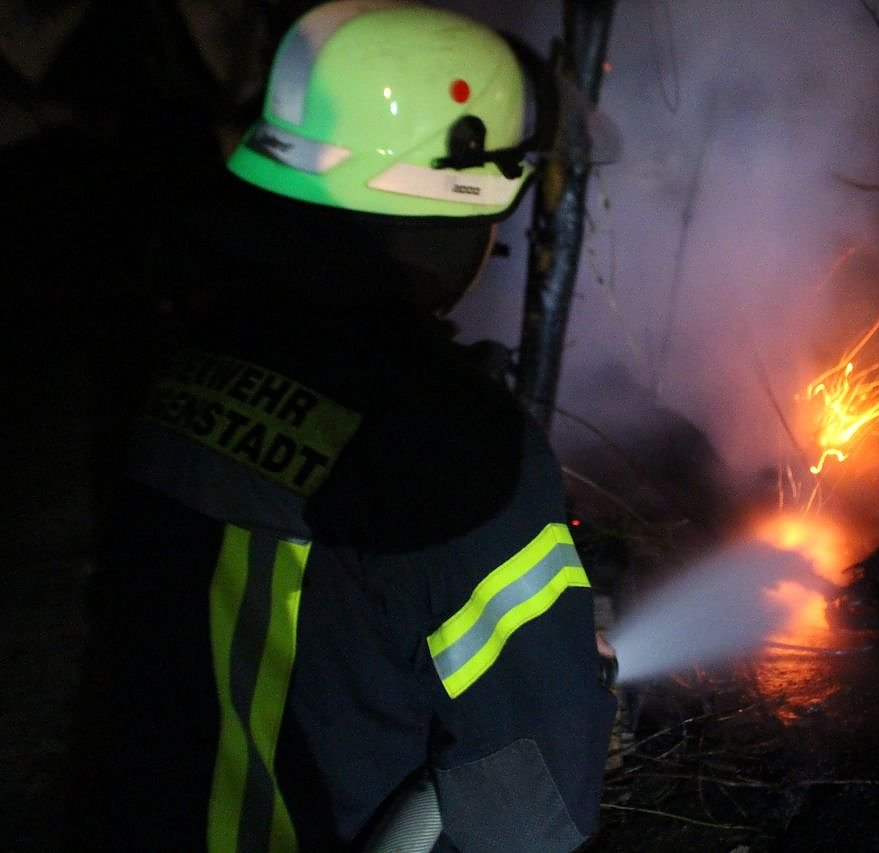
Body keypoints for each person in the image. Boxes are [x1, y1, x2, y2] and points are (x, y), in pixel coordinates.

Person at [66, 2, 618, 850]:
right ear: (463, 209)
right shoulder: (457, 451)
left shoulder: (181, 353)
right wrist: (571, 683)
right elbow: (530, 817)